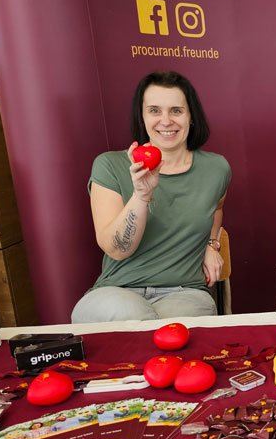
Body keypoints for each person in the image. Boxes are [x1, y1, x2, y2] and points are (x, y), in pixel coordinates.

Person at [71, 71, 231, 322]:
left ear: (191, 117)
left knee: (170, 331)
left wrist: (211, 243)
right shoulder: (110, 165)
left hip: (185, 293)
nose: (165, 121)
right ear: (143, 117)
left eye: (176, 111)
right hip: (116, 293)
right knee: (138, 321)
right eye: (154, 110)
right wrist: (141, 195)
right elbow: (117, 250)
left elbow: (216, 207)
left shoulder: (216, 169)